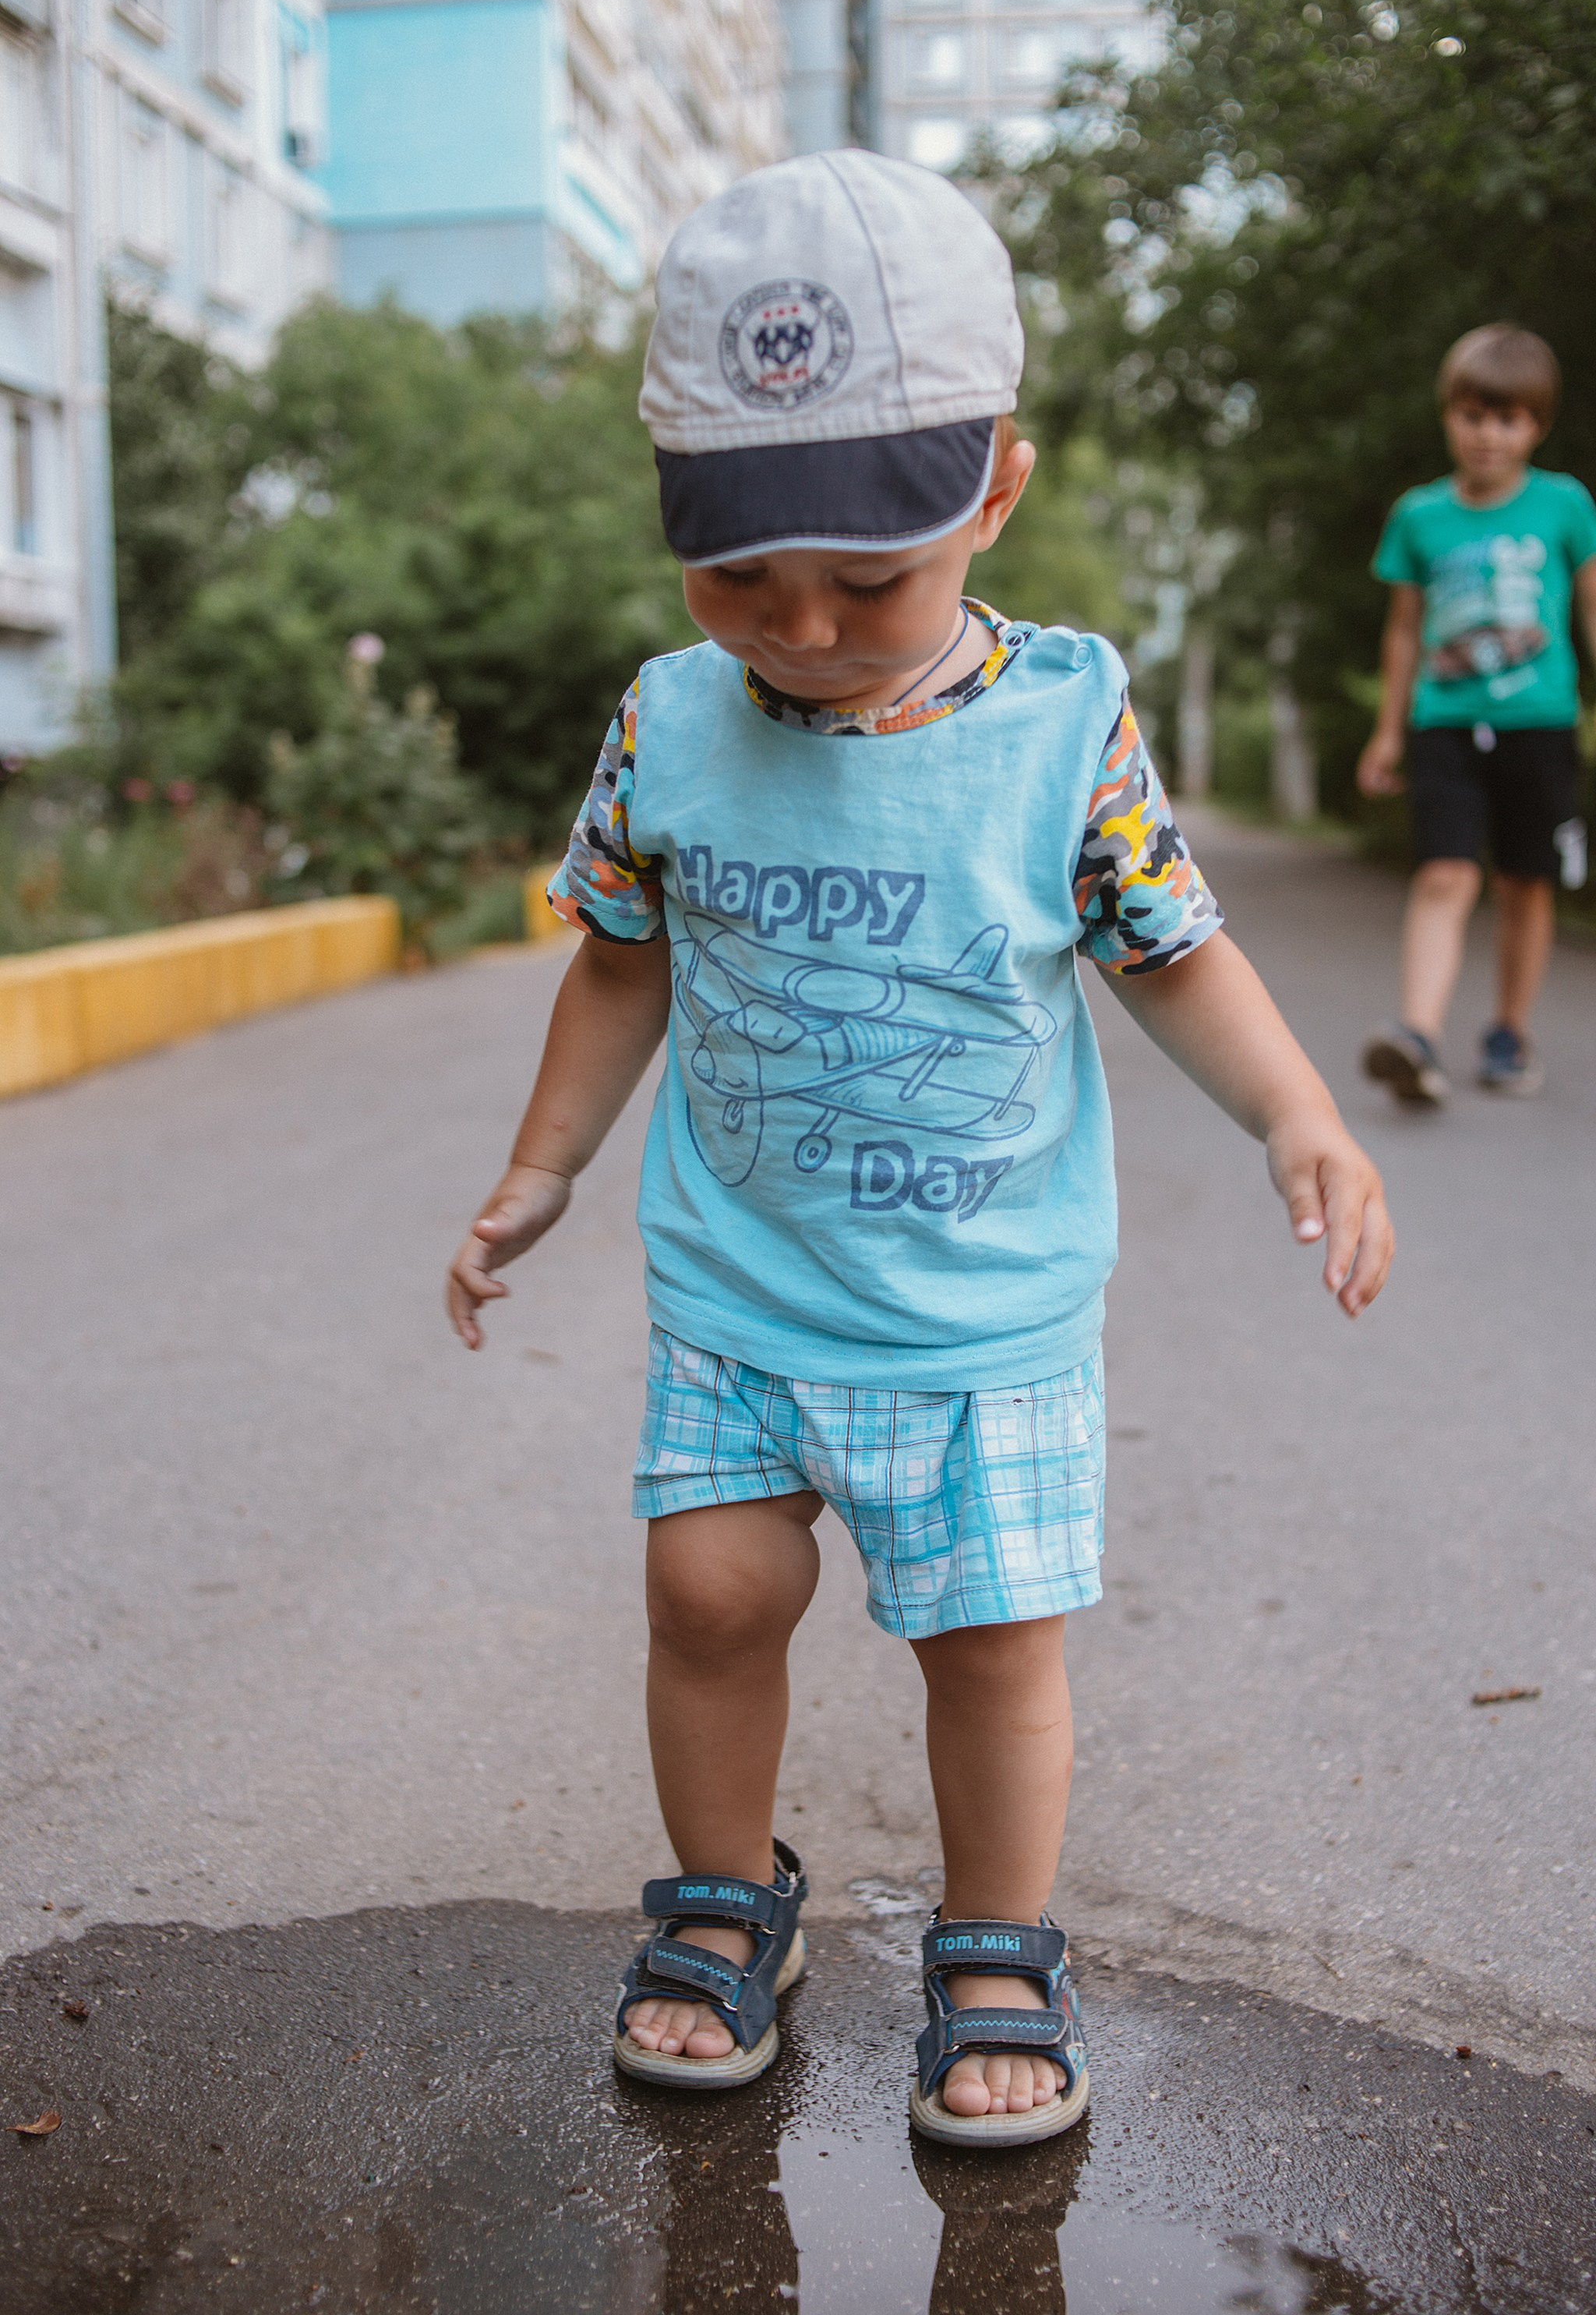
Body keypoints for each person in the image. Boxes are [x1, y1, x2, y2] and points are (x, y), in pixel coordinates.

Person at [446, 152, 1393, 2148]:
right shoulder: (666, 723)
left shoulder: (1063, 726)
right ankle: (727, 1903)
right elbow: (618, 961)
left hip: (981, 1316)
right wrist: (539, 1167)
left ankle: (992, 1935)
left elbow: (1172, 951)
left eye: (865, 578)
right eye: (739, 577)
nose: (800, 628)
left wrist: (1297, 1111)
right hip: (739, 1290)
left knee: (988, 1641)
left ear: (992, 491)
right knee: (706, 1590)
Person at [1358, 324, 1596, 1103]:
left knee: (1526, 883)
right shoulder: (1418, 517)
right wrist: (1388, 730)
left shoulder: (1563, 505)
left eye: (1508, 418)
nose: (1487, 434)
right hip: (1443, 724)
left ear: (1535, 424)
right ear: (1447, 417)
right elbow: (1402, 629)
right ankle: (1416, 1033)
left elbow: (1589, 611)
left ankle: (1505, 1032)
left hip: (1539, 723)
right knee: (1444, 871)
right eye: (1471, 415)